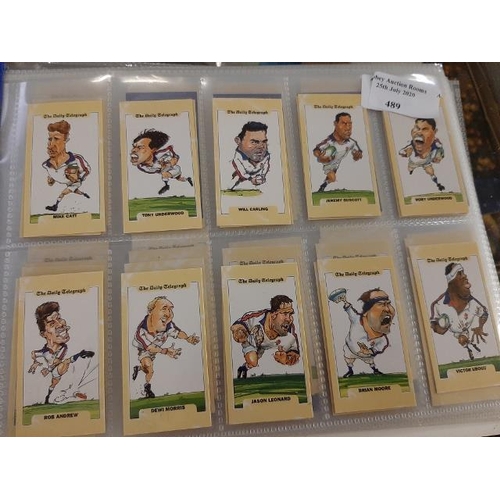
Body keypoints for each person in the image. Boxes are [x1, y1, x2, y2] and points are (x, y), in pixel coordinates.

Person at [131, 296, 200, 398]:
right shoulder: (141, 331)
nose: (169, 314)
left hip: (156, 348)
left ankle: (139, 368)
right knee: (150, 369)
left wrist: (187, 338)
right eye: (164, 309)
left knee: (148, 368)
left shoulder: (167, 324)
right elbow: (149, 348)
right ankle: (147, 389)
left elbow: (177, 333)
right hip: (144, 350)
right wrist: (165, 351)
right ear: (150, 312)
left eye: (170, 309)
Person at [28, 301, 95, 404]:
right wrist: (35, 362)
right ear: (43, 334)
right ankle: (54, 397)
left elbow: (58, 361)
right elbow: (34, 353)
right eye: (52, 324)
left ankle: (69, 393)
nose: (60, 324)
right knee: (53, 385)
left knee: (65, 365)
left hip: (58, 371)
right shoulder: (44, 352)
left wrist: (48, 369)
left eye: (59, 318)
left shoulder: (65, 348)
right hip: (54, 375)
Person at [330, 288, 395, 378]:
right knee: (348, 359)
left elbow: (378, 348)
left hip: (365, 354)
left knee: (370, 361)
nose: (387, 309)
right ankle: (350, 371)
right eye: (381, 304)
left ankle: (375, 370)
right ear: (366, 313)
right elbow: (350, 311)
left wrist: (369, 351)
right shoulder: (357, 320)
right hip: (350, 349)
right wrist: (345, 302)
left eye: (388, 304)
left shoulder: (382, 338)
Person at [231, 295, 300, 378]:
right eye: (285, 313)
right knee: (253, 361)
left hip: (266, 345)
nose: (289, 319)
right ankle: (244, 368)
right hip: (252, 340)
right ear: (273, 315)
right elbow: (238, 324)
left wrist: (287, 359)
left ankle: (244, 368)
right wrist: (239, 331)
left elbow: (295, 353)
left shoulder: (290, 330)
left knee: (254, 362)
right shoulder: (257, 318)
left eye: (290, 314)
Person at [430, 262, 489, 360]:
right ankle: (470, 350)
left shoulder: (473, 302)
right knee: (462, 341)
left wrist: (480, 327)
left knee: (463, 340)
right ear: (451, 282)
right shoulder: (438, 305)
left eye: (463, 272)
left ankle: (472, 350)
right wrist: (439, 329)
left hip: (463, 331)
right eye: (459, 273)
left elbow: (484, 314)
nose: (465, 275)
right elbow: (433, 325)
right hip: (454, 338)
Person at [42, 120, 91, 212]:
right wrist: (51, 180)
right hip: (70, 184)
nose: (51, 144)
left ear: (65, 140)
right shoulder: (47, 165)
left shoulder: (75, 160)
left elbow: (86, 171)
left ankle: (55, 206)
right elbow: (51, 181)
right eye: (50, 139)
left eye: (56, 139)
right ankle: (84, 194)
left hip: (75, 183)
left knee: (63, 193)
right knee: (76, 191)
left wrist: (78, 178)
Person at [130, 129, 193, 195]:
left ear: (153, 150)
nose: (133, 150)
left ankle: (166, 186)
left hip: (174, 168)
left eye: (140, 147)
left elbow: (171, 151)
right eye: (134, 147)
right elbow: (156, 169)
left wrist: (174, 159)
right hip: (166, 169)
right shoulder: (142, 167)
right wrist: (162, 166)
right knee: (178, 178)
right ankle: (187, 179)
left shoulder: (161, 154)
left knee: (165, 174)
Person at [313, 112, 363, 192]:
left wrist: (357, 156)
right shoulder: (329, 142)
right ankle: (322, 187)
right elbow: (316, 150)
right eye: (344, 123)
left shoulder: (352, 142)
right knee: (333, 178)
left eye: (350, 124)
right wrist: (320, 157)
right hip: (329, 164)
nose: (348, 127)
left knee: (333, 178)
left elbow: (358, 154)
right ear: (335, 124)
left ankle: (323, 185)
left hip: (337, 164)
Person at [399, 118, 446, 191]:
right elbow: (403, 151)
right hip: (414, 162)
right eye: (417, 128)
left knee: (431, 172)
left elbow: (440, 153)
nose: (419, 132)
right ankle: (411, 171)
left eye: (425, 129)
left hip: (426, 162)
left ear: (434, 132)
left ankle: (438, 184)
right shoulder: (411, 146)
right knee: (410, 169)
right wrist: (405, 153)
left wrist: (438, 157)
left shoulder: (436, 145)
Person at [229, 121, 270, 191]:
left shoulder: (266, 156)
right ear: (238, 141)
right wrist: (251, 179)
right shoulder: (237, 159)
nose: (261, 146)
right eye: (254, 142)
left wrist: (262, 176)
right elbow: (241, 172)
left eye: (264, 142)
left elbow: (265, 167)